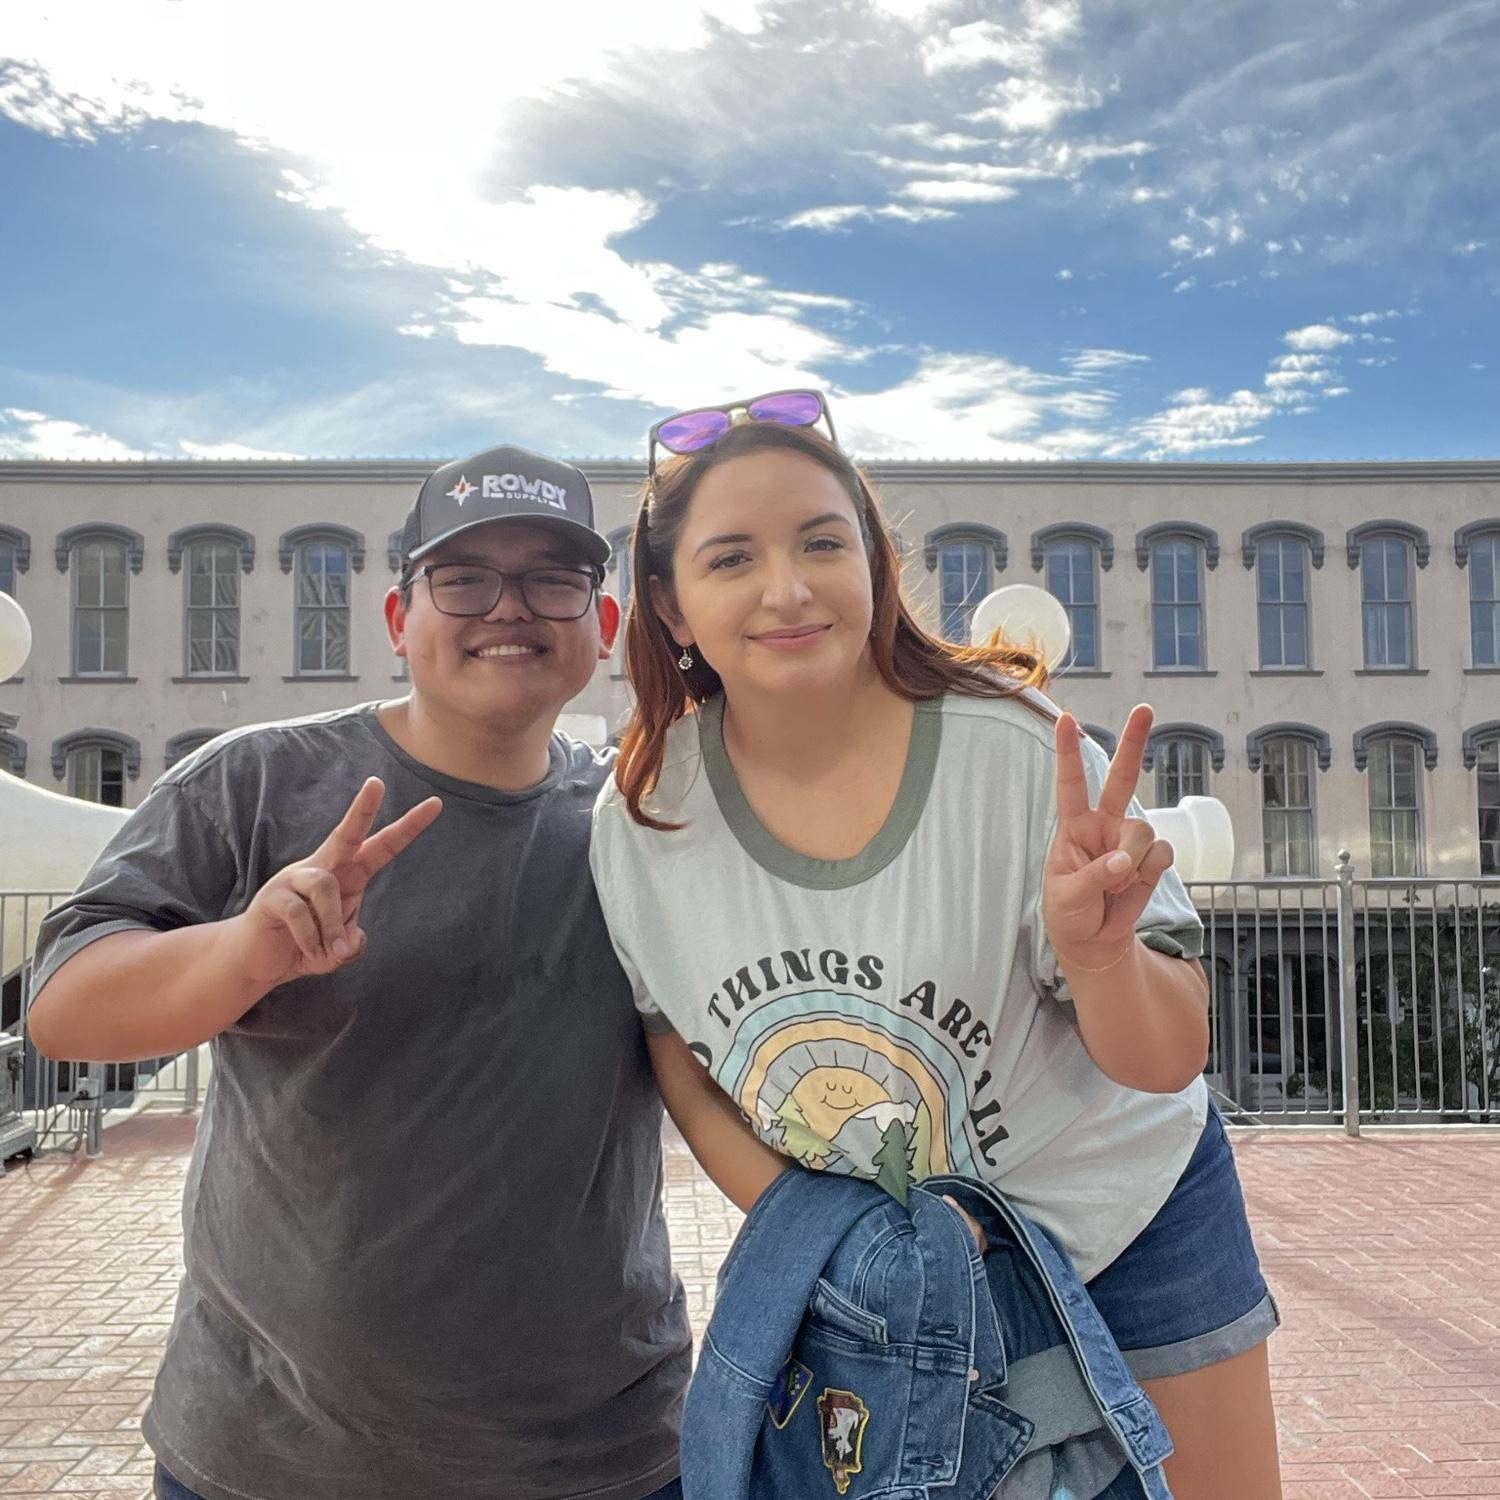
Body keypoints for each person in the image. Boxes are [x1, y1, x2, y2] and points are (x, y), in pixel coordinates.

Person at [587, 392, 1283, 1499]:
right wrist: (837, 1233)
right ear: (669, 604)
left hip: (1126, 1225)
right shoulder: (645, 821)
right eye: (732, 558)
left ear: (876, 563)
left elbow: (1167, 1059)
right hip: (887, 1266)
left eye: (823, 543)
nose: (787, 587)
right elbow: (677, 1048)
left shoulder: (1018, 755)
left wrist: (1102, 957)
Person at [26, 445, 691, 1500]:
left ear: (602, 625)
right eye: (463, 578)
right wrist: (244, 952)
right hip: (270, 1456)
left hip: (605, 1456)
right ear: (398, 618)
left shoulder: (645, 822)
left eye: (552, 579)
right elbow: (64, 1010)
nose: (508, 607)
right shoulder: (253, 782)